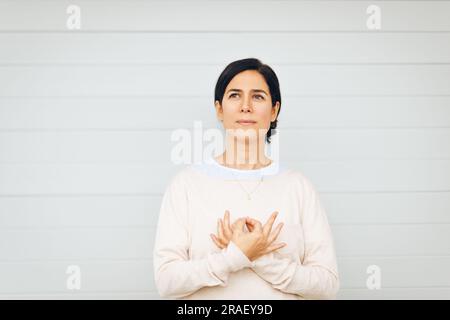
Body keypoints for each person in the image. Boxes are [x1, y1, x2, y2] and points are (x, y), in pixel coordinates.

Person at [153, 58, 339, 299]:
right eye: (235, 96)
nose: (246, 106)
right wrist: (233, 257)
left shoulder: (298, 187)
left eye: (258, 96)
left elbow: (327, 285)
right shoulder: (186, 185)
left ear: (274, 110)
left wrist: (259, 258)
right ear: (219, 109)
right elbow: (167, 282)